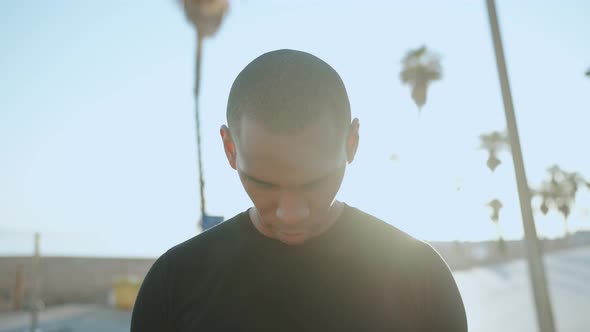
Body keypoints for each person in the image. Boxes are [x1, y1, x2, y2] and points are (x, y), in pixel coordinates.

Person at [131, 49, 467, 331]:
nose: (290, 213)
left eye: (315, 182)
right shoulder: (173, 283)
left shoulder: (421, 277)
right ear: (230, 149)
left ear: (352, 143)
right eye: (264, 183)